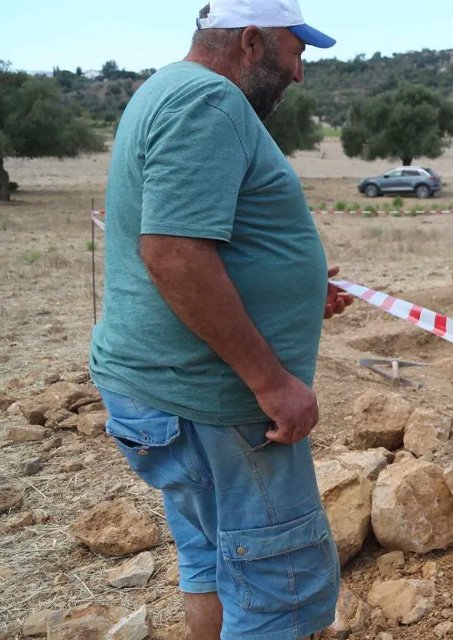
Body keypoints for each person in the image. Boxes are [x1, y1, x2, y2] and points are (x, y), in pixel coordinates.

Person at [89, 2, 344, 639]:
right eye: (297, 51)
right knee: (279, 592)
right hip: (214, 404)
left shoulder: (166, 90)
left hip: (169, 394)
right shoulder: (209, 102)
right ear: (252, 42)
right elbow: (173, 253)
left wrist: (292, 286)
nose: (300, 72)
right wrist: (272, 383)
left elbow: (195, 240)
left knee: (213, 558)